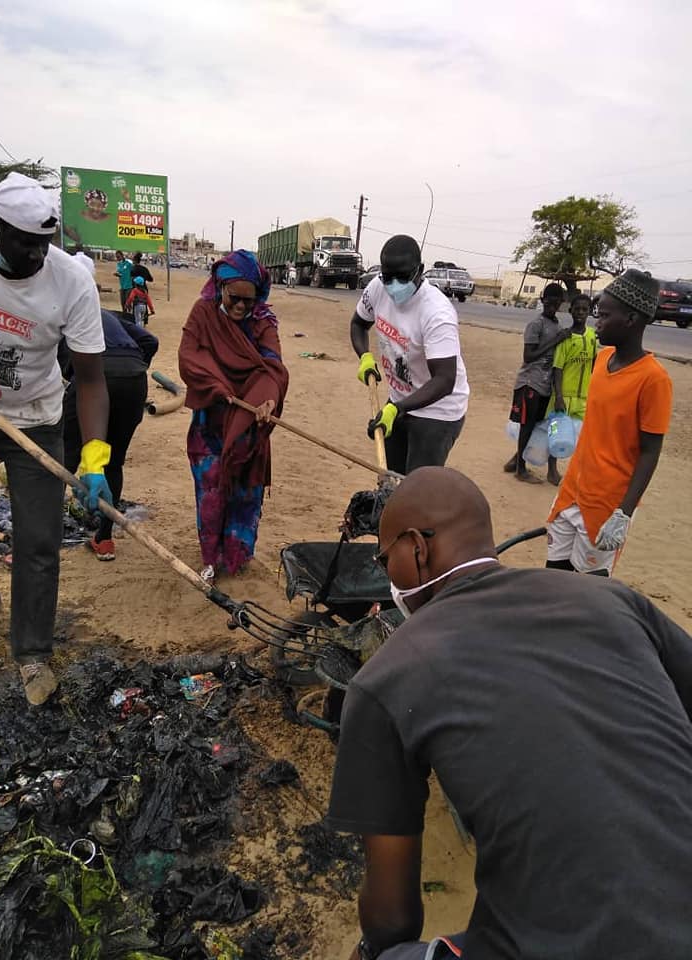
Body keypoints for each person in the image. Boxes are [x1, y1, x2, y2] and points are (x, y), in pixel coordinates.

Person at [327, 465, 692, 960]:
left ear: (417, 549)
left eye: (384, 557)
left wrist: (374, 951)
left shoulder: (386, 679)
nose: (386, 573)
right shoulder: (612, 599)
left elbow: (393, 918)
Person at [0, 172, 110, 705]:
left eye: (43, 243)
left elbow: (92, 379)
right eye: (23, 240)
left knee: (39, 542)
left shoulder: (70, 283)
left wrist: (94, 457)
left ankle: (31, 653)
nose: (34, 254)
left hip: (35, 416)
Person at [547, 269, 672, 576]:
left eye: (603, 315)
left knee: (588, 595)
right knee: (552, 579)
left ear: (631, 319)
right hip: (572, 494)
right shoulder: (602, 361)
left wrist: (623, 513)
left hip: (605, 506)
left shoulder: (653, 380)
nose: (595, 321)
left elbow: (649, 451)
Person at [178, 250, 289, 583]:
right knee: (211, 490)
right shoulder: (203, 313)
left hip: (249, 423)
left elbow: (273, 367)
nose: (241, 307)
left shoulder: (263, 322)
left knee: (245, 490)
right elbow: (189, 356)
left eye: (249, 300)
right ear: (219, 287)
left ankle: (236, 555)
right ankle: (211, 557)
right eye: (234, 298)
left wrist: (268, 399)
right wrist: (216, 387)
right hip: (210, 421)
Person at [350, 235, 469, 475]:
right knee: (389, 479)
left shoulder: (437, 313)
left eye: (403, 276)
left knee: (415, 489)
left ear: (420, 271)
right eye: (387, 276)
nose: (394, 284)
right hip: (400, 400)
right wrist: (365, 356)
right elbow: (359, 324)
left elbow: (445, 381)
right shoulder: (377, 288)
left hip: (437, 412)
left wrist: (398, 409)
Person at [62, 310, 158, 562]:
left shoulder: (63, 311)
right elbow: (151, 342)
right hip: (133, 379)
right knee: (113, 462)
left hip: (93, 375)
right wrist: (132, 368)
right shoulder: (111, 316)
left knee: (66, 457)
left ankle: (40, 538)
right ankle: (104, 540)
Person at [503, 283, 570, 484]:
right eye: (549, 301)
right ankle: (521, 470)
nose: (553, 305)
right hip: (530, 382)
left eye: (557, 302)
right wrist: (555, 341)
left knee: (535, 426)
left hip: (544, 385)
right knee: (527, 425)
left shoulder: (557, 326)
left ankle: (516, 461)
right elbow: (529, 356)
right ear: (543, 300)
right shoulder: (536, 324)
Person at [545, 293, 598, 485]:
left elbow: (594, 363)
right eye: (577, 309)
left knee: (581, 437)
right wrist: (558, 396)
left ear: (590, 312)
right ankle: (552, 470)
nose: (581, 313)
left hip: (583, 396)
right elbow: (557, 369)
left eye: (585, 309)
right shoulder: (566, 339)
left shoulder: (592, 336)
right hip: (564, 396)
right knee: (558, 435)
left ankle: (578, 473)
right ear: (570, 311)